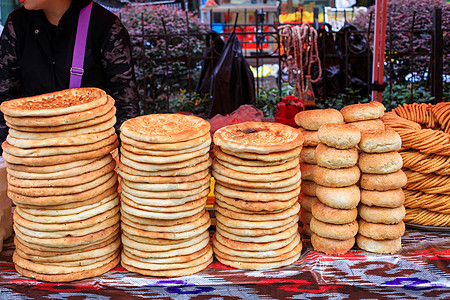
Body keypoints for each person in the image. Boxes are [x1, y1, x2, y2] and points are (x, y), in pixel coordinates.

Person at [0, 0, 140, 154]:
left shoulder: (105, 26)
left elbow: (126, 105)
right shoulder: (17, 24)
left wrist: (122, 160)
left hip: (92, 157)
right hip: (32, 157)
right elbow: (3, 99)